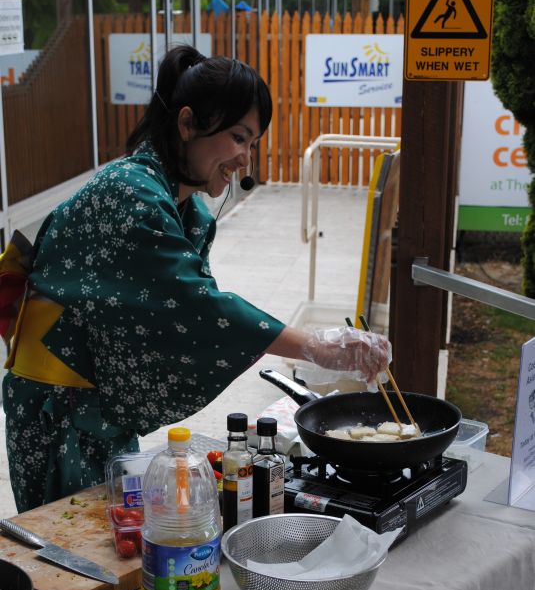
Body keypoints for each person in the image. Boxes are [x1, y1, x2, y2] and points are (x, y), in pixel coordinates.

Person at [1, 45, 391, 513]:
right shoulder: (130, 194)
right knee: (70, 556)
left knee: (113, 539)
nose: (245, 158)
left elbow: (177, 323)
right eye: (238, 137)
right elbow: (199, 310)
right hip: (57, 408)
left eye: (253, 144)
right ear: (187, 124)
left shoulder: (187, 210)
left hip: (96, 404)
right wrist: (317, 346)